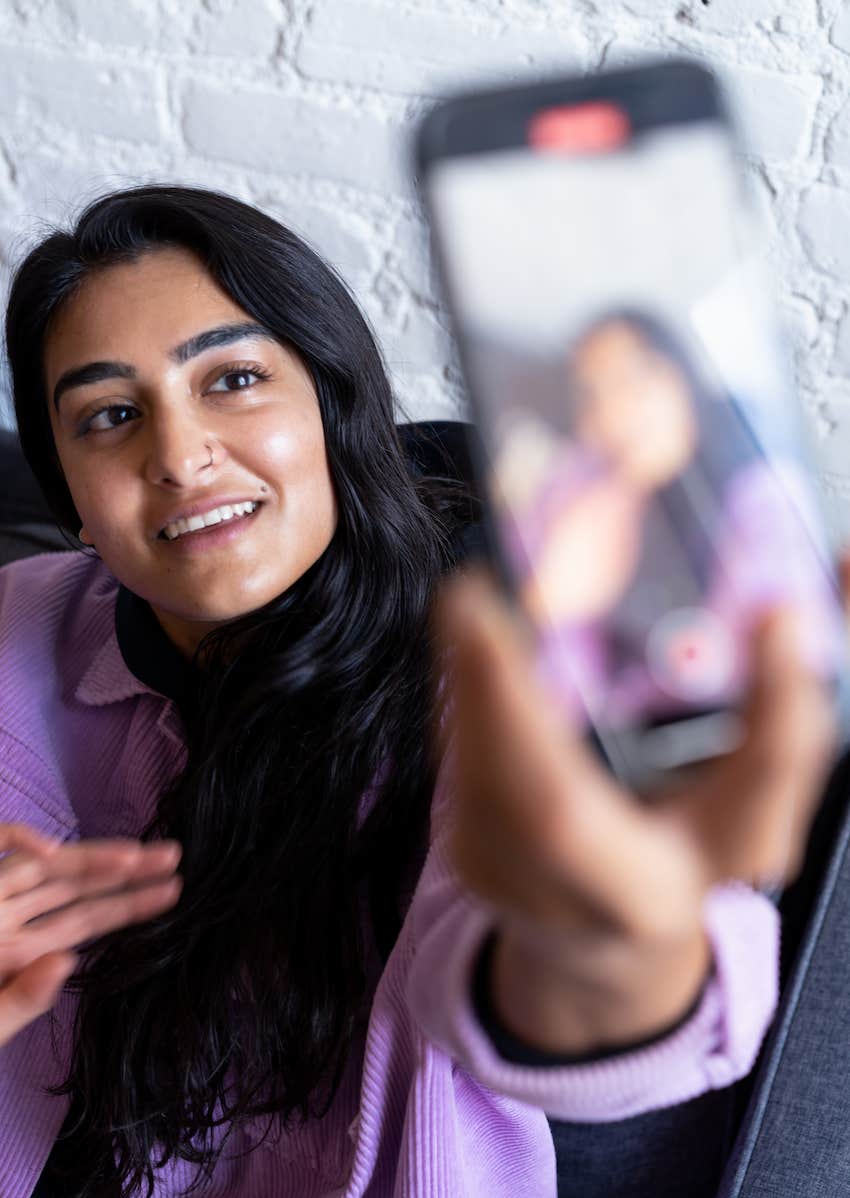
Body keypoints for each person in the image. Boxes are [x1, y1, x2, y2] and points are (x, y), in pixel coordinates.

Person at [0, 185, 833, 1198]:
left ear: (334, 409)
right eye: (112, 415)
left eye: (234, 378)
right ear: (72, 501)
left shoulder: (492, 687)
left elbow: (549, 983)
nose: (177, 456)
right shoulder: (20, 631)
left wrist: (606, 945)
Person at [493, 310, 840, 733]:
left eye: (634, 378)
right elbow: (551, 701)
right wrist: (549, 606)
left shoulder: (762, 494)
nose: (614, 410)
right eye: (591, 395)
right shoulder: (577, 495)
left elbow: (780, 671)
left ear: (684, 380)